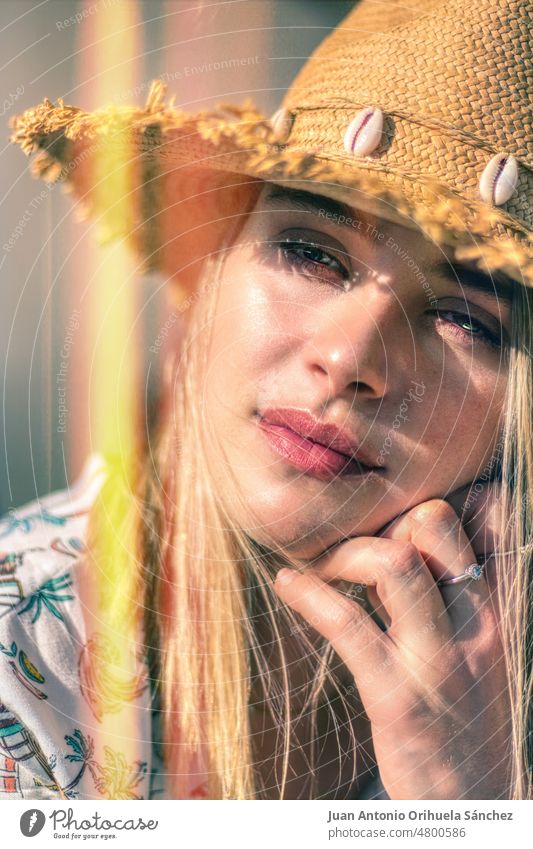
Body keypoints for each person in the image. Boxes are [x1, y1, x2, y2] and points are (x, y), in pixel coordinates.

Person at [3, 0, 532, 800]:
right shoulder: (20, 655)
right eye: (311, 253)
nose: (348, 359)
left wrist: (468, 793)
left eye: (464, 317)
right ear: (206, 279)